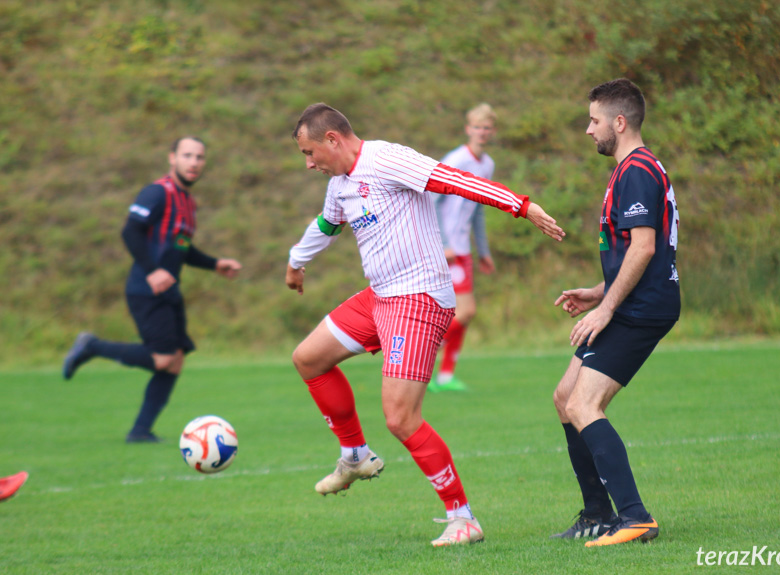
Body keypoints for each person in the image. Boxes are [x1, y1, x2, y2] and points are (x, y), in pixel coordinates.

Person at [285, 103, 564, 546]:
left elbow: (458, 182)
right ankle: (354, 454)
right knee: (309, 359)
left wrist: (521, 206)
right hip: (380, 296)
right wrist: (296, 262)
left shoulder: (389, 159)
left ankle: (463, 518)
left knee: (400, 417)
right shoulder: (340, 184)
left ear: (332, 140)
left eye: (309, 152)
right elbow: (327, 224)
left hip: (417, 298)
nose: (308, 163)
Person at [550, 78, 680, 547]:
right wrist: (597, 291)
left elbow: (645, 249)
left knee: (585, 404)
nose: (588, 130)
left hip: (641, 309)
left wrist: (607, 308)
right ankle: (596, 514)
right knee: (565, 397)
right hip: (632, 300)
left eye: (594, 120)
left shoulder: (637, 171)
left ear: (619, 122)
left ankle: (635, 518)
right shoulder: (631, 169)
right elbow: (638, 252)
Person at [62, 137, 242, 443]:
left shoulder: (188, 203)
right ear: (172, 158)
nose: (194, 162)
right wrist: (152, 270)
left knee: (175, 362)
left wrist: (214, 264)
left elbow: (181, 248)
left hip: (169, 291)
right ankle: (91, 346)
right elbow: (130, 231)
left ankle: (140, 431)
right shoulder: (157, 192)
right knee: (162, 359)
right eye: (187, 155)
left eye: (199, 157)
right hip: (145, 290)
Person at [429, 103, 498, 392]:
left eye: (487, 128)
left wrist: (483, 250)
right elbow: (431, 200)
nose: (482, 133)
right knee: (464, 311)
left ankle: (445, 377)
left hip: (464, 249)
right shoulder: (455, 159)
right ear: (468, 129)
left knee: (462, 314)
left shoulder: (487, 165)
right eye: (477, 127)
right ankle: (424, 348)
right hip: (447, 250)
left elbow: (478, 210)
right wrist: (442, 243)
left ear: (492, 132)